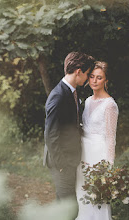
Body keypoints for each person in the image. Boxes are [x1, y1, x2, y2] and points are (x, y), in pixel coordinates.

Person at [43, 52, 95, 215]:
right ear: (79, 71)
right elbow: (50, 134)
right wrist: (61, 165)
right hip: (61, 162)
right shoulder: (58, 95)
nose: (87, 79)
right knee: (70, 211)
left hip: (69, 160)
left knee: (62, 208)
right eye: (87, 74)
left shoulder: (71, 91)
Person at [75, 61, 119, 220]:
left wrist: (108, 168)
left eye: (99, 78)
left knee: (97, 197)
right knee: (82, 193)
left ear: (106, 81)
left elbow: (111, 138)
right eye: (92, 76)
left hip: (98, 155)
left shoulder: (110, 105)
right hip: (83, 153)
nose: (94, 81)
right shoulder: (87, 101)